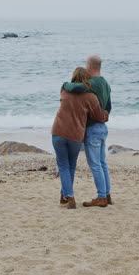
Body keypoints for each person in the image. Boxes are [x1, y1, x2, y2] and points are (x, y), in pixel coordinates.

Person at [51, 67, 109, 209]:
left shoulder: (64, 90)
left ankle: (68, 197)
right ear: (87, 80)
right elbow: (99, 116)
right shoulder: (91, 97)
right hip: (76, 136)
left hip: (58, 132)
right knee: (71, 165)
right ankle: (66, 195)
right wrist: (106, 114)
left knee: (63, 166)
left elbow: (66, 95)